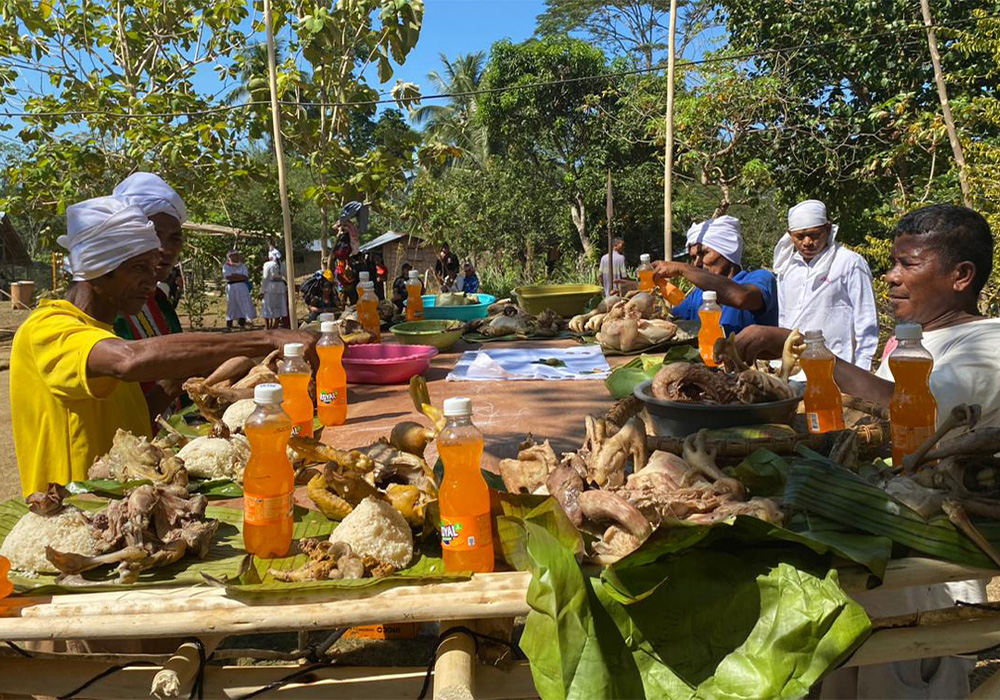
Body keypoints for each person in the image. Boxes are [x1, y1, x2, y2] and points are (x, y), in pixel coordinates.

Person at [735, 204, 999, 699]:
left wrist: (804, 346)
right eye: (892, 263)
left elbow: (911, 415)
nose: (892, 278)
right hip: (878, 534)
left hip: (927, 565)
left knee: (894, 684)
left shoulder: (987, 347)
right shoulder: (919, 338)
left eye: (909, 264)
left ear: (961, 275)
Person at [10, 197, 315, 496]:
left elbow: (132, 420)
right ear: (98, 269)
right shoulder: (47, 328)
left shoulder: (100, 332)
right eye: (139, 268)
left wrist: (177, 383)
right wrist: (264, 339)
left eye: (153, 268)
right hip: (73, 510)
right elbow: (129, 360)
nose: (151, 282)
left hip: (124, 503)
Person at [774, 200, 879, 369]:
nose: (807, 242)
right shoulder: (787, 268)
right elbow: (784, 319)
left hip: (837, 368)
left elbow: (866, 320)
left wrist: (861, 371)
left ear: (828, 229)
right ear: (790, 235)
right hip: (795, 369)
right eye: (799, 236)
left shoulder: (849, 262)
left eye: (814, 235)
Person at [654, 216, 778, 336]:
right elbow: (670, 321)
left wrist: (683, 268)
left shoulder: (761, 278)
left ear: (726, 251)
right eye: (693, 257)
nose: (697, 263)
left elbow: (741, 297)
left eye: (704, 253)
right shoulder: (698, 295)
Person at [112, 173, 186, 342]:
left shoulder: (158, 299)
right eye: (154, 235)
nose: (166, 250)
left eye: (175, 238)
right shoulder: (100, 306)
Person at [223, 249, 255, 330]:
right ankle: (229, 325)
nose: (237, 257)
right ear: (230, 257)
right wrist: (238, 276)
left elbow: (245, 277)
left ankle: (242, 323)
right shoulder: (226, 266)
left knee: (243, 304)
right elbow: (228, 277)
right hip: (232, 287)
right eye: (235, 255)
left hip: (242, 286)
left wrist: (235, 275)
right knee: (232, 305)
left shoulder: (242, 266)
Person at [261, 248, 289, 329]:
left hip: (270, 287)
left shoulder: (268, 264)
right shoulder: (282, 264)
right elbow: (286, 276)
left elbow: (265, 277)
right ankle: (275, 324)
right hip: (280, 286)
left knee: (267, 305)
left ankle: (267, 326)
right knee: (278, 305)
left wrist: (262, 290)